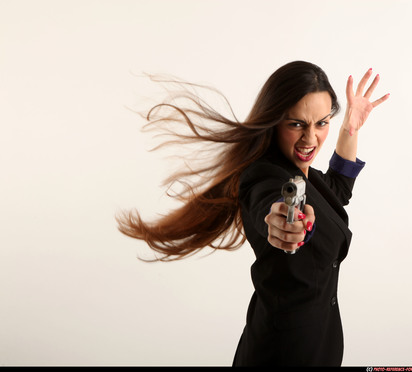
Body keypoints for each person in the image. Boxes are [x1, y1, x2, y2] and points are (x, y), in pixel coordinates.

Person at [116, 61, 389, 366]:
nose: (310, 138)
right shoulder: (265, 177)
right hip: (280, 354)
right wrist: (287, 224)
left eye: (321, 123)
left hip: (318, 346)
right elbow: (272, 208)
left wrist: (349, 128)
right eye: (296, 124)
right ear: (274, 121)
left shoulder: (304, 173)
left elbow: (337, 191)